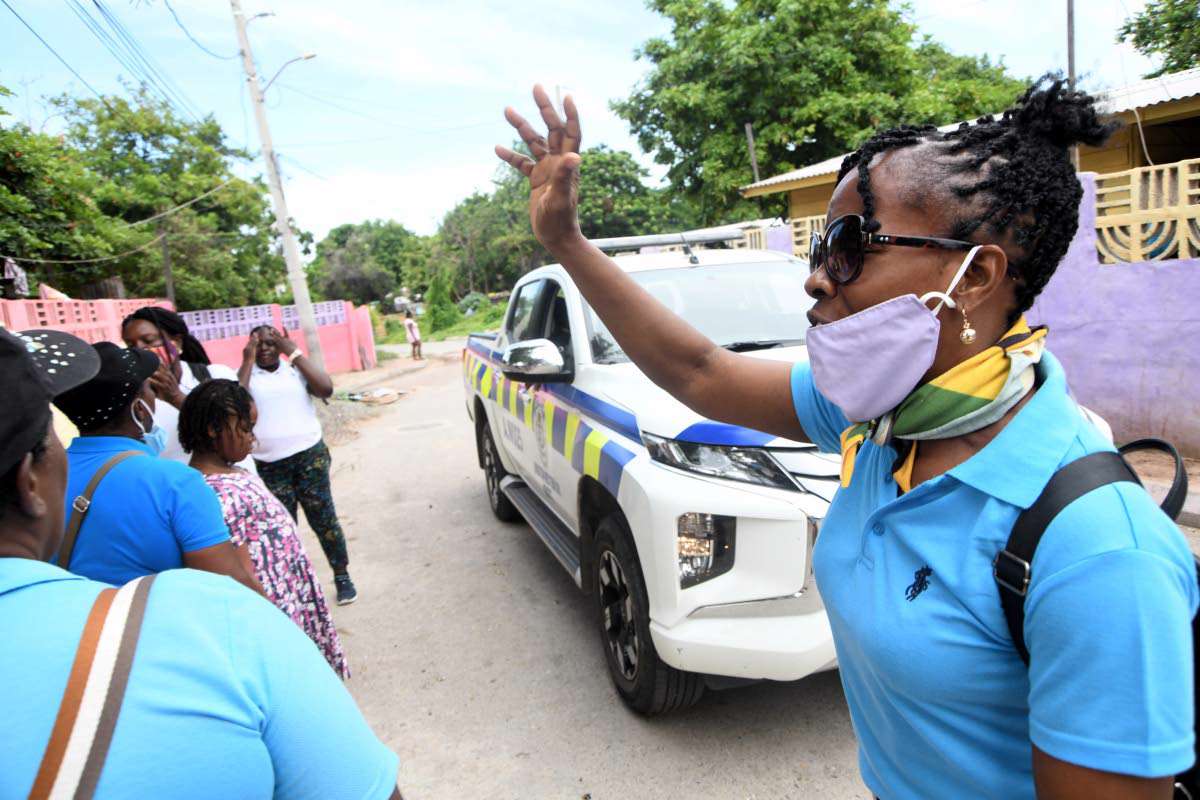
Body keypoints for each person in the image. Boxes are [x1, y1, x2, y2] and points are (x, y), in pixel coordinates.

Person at [496, 81, 1197, 798]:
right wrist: (566, 243)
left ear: (976, 276)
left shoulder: (1099, 552)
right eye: (818, 248)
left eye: (850, 247)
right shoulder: (883, 417)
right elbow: (702, 371)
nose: (815, 279)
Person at [0, 328, 403, 799]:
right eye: (148, 390)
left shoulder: (78, 479)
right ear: (29, 482)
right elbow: (242, 602)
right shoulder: (175, 486)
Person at [51, 341, 261, 594]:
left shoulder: (45, 477)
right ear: (139, 409)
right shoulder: (176, 482)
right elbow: (231, 588)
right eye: (149, 389)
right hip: (148, 616)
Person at [181, 379, 350, 679]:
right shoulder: (216, 493)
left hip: (288, 591)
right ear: (213, 429)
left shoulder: (232, 470)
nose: (253, 439)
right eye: (246, 429)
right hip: (273, 604)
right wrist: (274, 620)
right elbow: (239, 569)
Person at [239, 325, 358, 605]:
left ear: (281, 344)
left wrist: (292, 351)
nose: (265, 348)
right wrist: (247, 360)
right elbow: (237, 404)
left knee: (324, 519)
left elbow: (326, 388)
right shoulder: (246, 375)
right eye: (259, 343)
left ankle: (342, 575)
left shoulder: (295, 370)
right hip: (269, 465)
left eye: (271, 342)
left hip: (309, 458)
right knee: (281, 528)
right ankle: (295, 583)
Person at [121, 306, 251, 469]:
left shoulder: (215, 375)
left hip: (234, 479)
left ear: (177, 342)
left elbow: (240, 423)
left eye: (148, 341)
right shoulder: (132, 399)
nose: (138, 350)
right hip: (180, 484)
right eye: (130, 345)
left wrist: (176, 397)